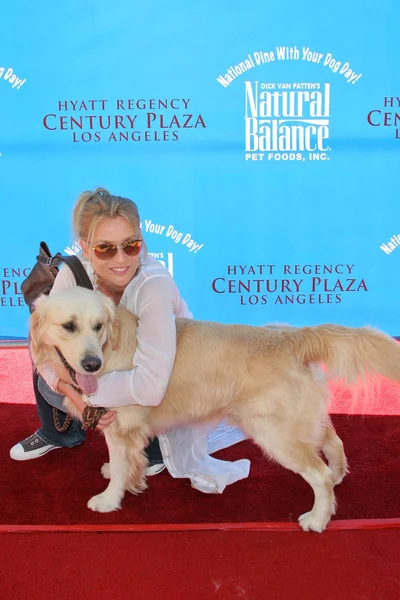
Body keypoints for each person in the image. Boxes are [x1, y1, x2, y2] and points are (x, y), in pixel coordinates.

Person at [10, 188, 249, 492]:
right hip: (107, 373)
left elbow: (151, 386)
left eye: (130, 245)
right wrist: (79, 400)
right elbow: (41, 344)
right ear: (85, 248)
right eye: (105, 249)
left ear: (141, 243)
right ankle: (59, 432)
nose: (120, 259)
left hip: (168, 382)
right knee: (50, 355)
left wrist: (96, 399)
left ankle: (153, 446)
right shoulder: (72, 275)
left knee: (145, 424)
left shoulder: (154, 286)